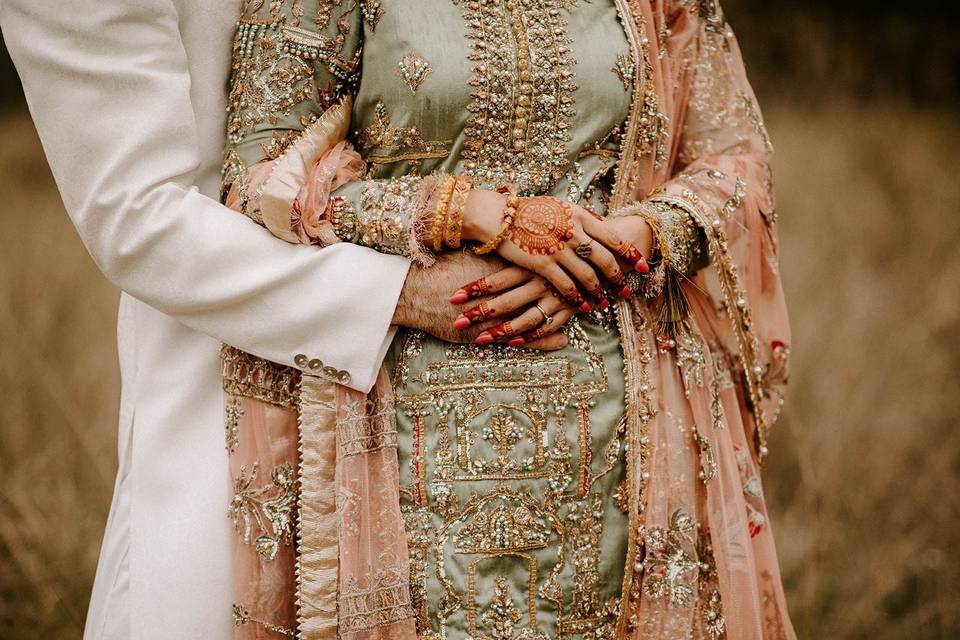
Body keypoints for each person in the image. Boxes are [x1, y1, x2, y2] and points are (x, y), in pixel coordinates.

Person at [2, 0, 795, 638]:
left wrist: (625, 245)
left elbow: (723, 145)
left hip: (633, 434)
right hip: (331, 404)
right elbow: (146, 216)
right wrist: (444, 237)